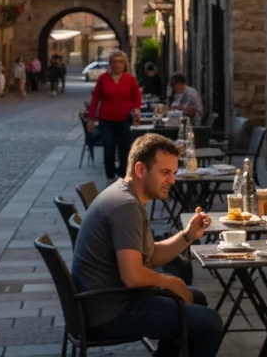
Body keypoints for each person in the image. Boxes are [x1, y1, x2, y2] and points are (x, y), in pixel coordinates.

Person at [72, 133, 222, 357]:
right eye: (164, 173)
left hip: (109, 301)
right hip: (109, 312)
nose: (172, 180)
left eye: (173, 173)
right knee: (209, 324)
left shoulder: (127, 197)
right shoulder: (125, 206)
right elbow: (132, 276)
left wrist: (188, 235)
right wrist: (170, 283)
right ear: (141, 170)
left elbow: (150, 256)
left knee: (196, 299)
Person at [87, 50, 142, 182]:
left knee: (124, 150)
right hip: (106, 120)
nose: (117, 65)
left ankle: (123, 176)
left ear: (124, 64)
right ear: (110, 64)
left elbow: (137, 97)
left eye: (120, 62)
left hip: (124, 119)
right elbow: (95, 99)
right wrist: (91, 119)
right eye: (114, 62)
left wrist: (136, 109)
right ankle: (110, 176)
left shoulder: (130, 79)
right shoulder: (103, 79)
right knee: (109, 148)